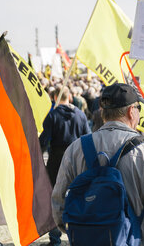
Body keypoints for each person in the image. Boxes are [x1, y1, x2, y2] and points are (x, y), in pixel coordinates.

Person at [52, 83, 144, 245]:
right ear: (131, 111)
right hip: (141, 239)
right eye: (139, 108)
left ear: (103, 112)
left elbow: (58, 206)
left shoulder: (76, 148)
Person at [39, 85, 91, 246]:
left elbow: (43, 141)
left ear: (55, 98)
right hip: (77, 159)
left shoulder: (52, 115)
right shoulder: (80, 115)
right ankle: (79, 235)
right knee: (77, 196)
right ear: (69, 97)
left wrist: (38, 157)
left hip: (57, 160)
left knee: (55, 198)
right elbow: (88, 138)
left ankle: (55, 239)